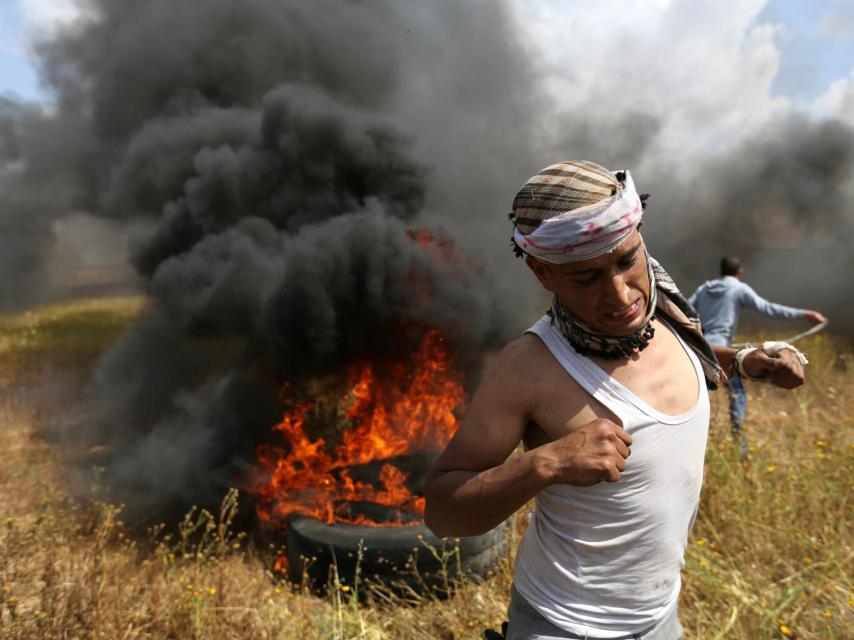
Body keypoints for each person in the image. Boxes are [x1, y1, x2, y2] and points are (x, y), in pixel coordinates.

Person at [424, 160, 806, 640]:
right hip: (566, 627)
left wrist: (751, 360)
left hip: (661, 618)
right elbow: (441, 512)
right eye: (586, 279)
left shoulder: (664, 316)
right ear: (544, 272)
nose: (620, 294)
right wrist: (546, 463)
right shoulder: (530, 366)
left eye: (627, 261)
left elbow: (695, 359)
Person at [689, 256, 826, 450]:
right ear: (739, 273)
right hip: (724, 353)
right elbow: (769, 309)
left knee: (695, 395)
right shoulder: (739, 289)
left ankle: (694, 442)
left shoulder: (704, 289)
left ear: (721, 271)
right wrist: (806, 314)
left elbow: (683, 309)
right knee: (737, 394)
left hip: (699, 348)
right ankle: (740, 446)